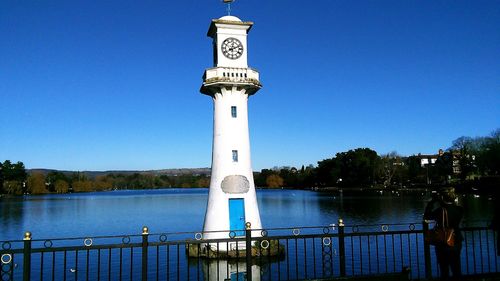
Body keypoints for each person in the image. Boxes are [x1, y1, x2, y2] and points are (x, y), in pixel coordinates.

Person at [424, 187, 464, 280]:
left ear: (442, 198)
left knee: (444, 269)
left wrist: (432, 202)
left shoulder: (440, 211)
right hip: (457, 240)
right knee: (456, 268)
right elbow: (453, 209)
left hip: (444, 242)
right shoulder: (460, 210)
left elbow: (427, 216)